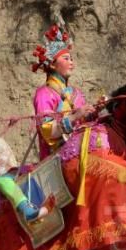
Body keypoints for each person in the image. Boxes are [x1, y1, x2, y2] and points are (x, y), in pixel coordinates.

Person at [31, 25, 98, 159]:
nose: (71, 63)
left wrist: (93, 112)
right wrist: (74, 117)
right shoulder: (44, 93)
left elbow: (83, 125)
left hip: (81, 155)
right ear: (52, 64)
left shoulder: (76, 93)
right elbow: (48, 131)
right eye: (66, 59)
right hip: (56, 162)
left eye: (71, 59)